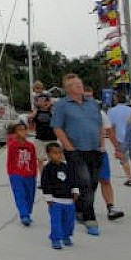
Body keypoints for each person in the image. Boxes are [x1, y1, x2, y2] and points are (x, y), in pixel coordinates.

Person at [51, 74, 104, 236]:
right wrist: (68, 146)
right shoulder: (62, 105)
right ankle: (90, 218)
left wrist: (102, 144)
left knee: (93, 182)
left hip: (94, 149)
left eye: (80, 83)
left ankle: (80, 208)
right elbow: (57, 127)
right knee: (85, 182)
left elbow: (100, 125)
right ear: (68, 89)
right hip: (76, 150)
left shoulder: (93, 104)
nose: (79, 86)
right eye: (75, 85)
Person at [83, 86, 124, 221]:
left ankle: (110, 207)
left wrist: (117, 149)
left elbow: (110, 132)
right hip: (83, 153)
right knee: (86, 183)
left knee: (105, 180)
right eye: (86, 96)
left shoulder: (101, 114)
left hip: (100, 152)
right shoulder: (76, 114)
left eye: (90, 96)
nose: (88, 99)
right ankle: (85, 208)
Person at [41, 142, 79, 250]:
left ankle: (66, 236)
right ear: (48, 154)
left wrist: (75, 191)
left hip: (68, 200)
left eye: (59, 153)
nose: (58, 155)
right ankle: (56, 239)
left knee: (69, 221)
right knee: (56, 221)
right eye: (54, 153)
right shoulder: (47, 169)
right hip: (56, 201)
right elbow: (45, 184)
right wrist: (48, 198)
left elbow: (73, 179)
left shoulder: (66, 167)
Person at [107, 90, 131, 186]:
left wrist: (115, 144)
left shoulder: (112, 111)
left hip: (120, 138)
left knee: (124, 159)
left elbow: (111, 128)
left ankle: (129, 179)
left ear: (116, 99)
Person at [6, 122, 37, 226]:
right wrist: (11, 173)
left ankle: (27, 211)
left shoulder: (31, 146)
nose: (23, 132)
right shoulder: (12, 145)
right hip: (16, 174)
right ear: (15, 132)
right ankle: (24, 215)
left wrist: (34, 173)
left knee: (30, 195)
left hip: (29, 174)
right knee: (20, 194)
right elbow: (10, 160)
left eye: (24, 129)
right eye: (19, 130)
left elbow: (33, 160)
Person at [28, 92, 56, 177]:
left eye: (43, 100)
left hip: (51, 138)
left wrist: (50, 105)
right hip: (39, 138)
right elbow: (31, 124)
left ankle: (53, 176)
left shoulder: (52, 111)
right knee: (40, 159)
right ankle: (43, 177)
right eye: (39, 100)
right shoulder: (36, 112)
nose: (41, 102)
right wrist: (32, 116)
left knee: (53, 159)